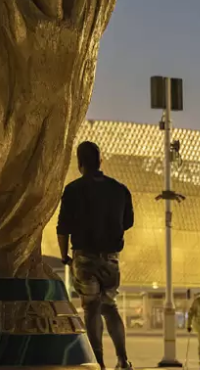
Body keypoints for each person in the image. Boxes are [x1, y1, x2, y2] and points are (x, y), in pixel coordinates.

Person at [57, 141, 134, 370]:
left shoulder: (72, 190)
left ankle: (98, 362)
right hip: (111, 259)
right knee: (110, 307)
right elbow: (128, 222)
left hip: (84, 258)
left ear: (79, 163)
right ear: (101, 161)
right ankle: (122, 360)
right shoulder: (120, 189)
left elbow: (63, 227)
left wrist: (64, 256)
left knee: (91, 308)